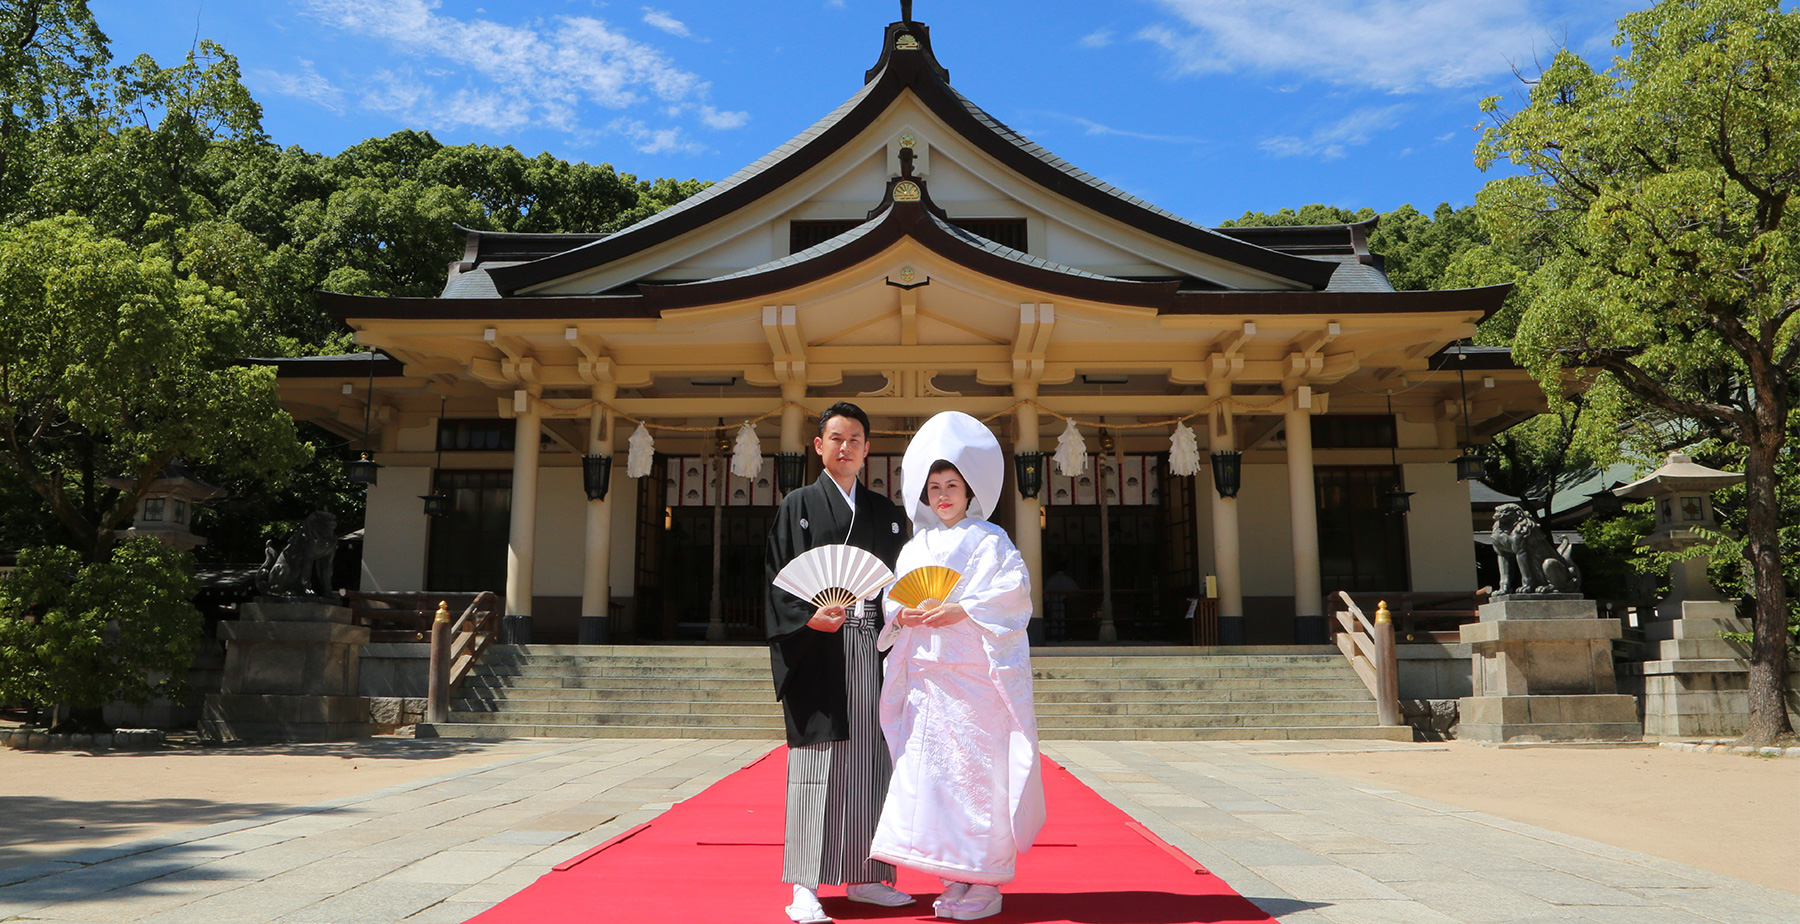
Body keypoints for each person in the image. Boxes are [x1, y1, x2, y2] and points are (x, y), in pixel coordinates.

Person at [870, 411, 1046, 922]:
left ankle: (986, 881)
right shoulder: (916, 546)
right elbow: (891, 601)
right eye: (934, 487)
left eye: (952, 485)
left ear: (970, 492)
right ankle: (953, 875)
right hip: (929, 681)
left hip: (975, 684)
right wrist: (901, 611)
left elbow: (1012, 596)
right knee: (934, 782)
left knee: (976, 780)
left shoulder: (991, 541)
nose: (943, 495)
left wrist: (960, 609)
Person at [766, 402, 915, 924]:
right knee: (817, 763)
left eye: (855, 438)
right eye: (836, 437)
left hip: (874, 647)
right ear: (819, 446)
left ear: (868, 448)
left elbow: (901, 585)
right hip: (818, 646)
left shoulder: (887, 515)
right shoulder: (798, 506)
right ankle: (804, 883)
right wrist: (810, 622)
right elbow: (781, 580)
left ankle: (868, 876)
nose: (846, 446)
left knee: (874, 763)